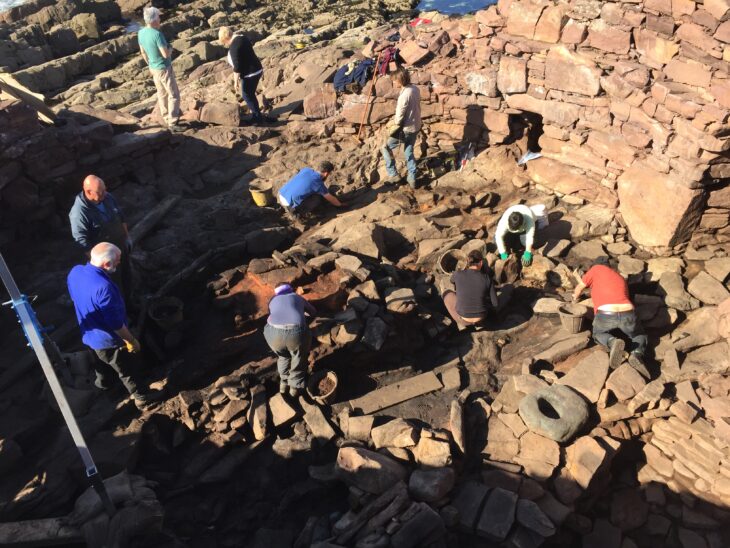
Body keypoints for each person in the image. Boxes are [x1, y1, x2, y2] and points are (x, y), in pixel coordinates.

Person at [67, 243, 163, 410]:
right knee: (127, 369)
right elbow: (115, 324)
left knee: (101, 365)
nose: (119, 263)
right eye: (118, 260)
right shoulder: (104, 288)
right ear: (106, 264)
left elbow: (74, 296)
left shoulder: (75, 272)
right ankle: (142, 397)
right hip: (109, 341)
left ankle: (106, 388)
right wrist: (131, 340)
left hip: (89, 336)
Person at [572, 258, 649, 378]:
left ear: (595, 265)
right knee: (639, 335)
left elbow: (579, 288)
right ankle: (636, 353)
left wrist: (574, 299)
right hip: (628, 312)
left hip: (606, 313)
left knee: (598, 333)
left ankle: (613, 342)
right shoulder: (619, 277)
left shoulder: (595, 269)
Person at [68, 175, 132, 300]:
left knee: (127, 274)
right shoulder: (79, 213)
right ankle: (122, 309)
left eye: (105, 189)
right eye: (100, 192)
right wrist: (100, 264)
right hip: (107, 258)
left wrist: (127, 238)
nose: (105, 193)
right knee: (114, 284)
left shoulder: (108, 198)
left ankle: (130, 300)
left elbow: (121, 217)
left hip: (120, 246)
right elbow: (81, 241)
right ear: (88, 192)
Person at [264, 283, 317, 397]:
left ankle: (283, 384)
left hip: (273, 334)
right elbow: (313, 312)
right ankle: (294, 389)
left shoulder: (272, 300)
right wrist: (303, 313)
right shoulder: (297, 297)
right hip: (295, 334)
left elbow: (271, 315)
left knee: (283, 356)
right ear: (291, 290)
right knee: (298, 357)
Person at [442, 250, 513, 328]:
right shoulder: (487, 278)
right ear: (481, 263)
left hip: (463, 320)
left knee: (447, 293)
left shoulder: (458, 274)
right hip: (482, 318)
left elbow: (451, 281)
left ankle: (463, 324)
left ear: (468, 263)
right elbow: (495, 303)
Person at [138, 6, 181, 130]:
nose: (160, 19)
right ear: (154, 19)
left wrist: (150, 65)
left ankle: (166, 117)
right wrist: (171, 49)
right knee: (173, 94)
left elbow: (143, 52)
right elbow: (165, 54)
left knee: (161, 94)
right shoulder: (157, 34)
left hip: (154, 68)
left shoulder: (141, 32)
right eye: (158, 17)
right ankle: (173, 121)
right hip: (164, 67)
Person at [382, 66, 421, 188]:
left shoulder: (404, 95)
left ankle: (393, 175)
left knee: (385, 147)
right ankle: (412, 177)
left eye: (395, 80)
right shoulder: (415, 88)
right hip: (415, 126)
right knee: (409, 151)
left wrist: (391, 125)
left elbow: (399, 118)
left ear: (400, 80)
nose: (394, 82)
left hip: (405, 129)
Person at [218, 26, 266, 124]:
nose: (225, 44)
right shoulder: (242, 37)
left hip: (250, 73)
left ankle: (257, 117)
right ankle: (257, 114)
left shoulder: (234, 47)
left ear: (226, 39)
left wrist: (236, 81)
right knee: (250, 94)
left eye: (224, 42)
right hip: (257, 68)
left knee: (247, 95)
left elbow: (237, 67)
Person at [277, 161, 345, 222]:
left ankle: (294, 208)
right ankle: (298, 214)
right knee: (318, 198)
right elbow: (330, 198)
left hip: (282, 194)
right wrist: (340, 205)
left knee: (311, 191)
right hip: (290, 203)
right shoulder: (317, 183)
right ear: (326, 173)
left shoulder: (307, 170)